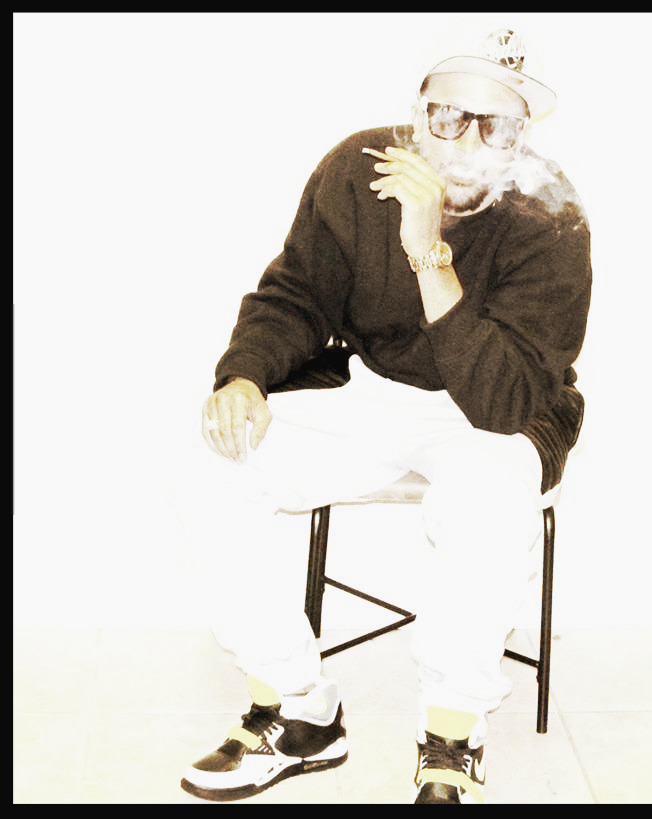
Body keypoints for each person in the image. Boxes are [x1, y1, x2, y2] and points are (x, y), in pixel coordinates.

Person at [178, 28, 591, 804]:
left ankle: (452, 736)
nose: (466, 143)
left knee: (486, 496)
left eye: (495, 125)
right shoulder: (357, 169)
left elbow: (501, 400)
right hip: (374, 388)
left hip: (496, 411)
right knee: (216, 462)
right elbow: (295, 295)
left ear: (521, 136)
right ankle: (298, 711)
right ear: (418, 113)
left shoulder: (551, 214)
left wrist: (427, 247)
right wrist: (243, 376)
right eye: (449, 116)